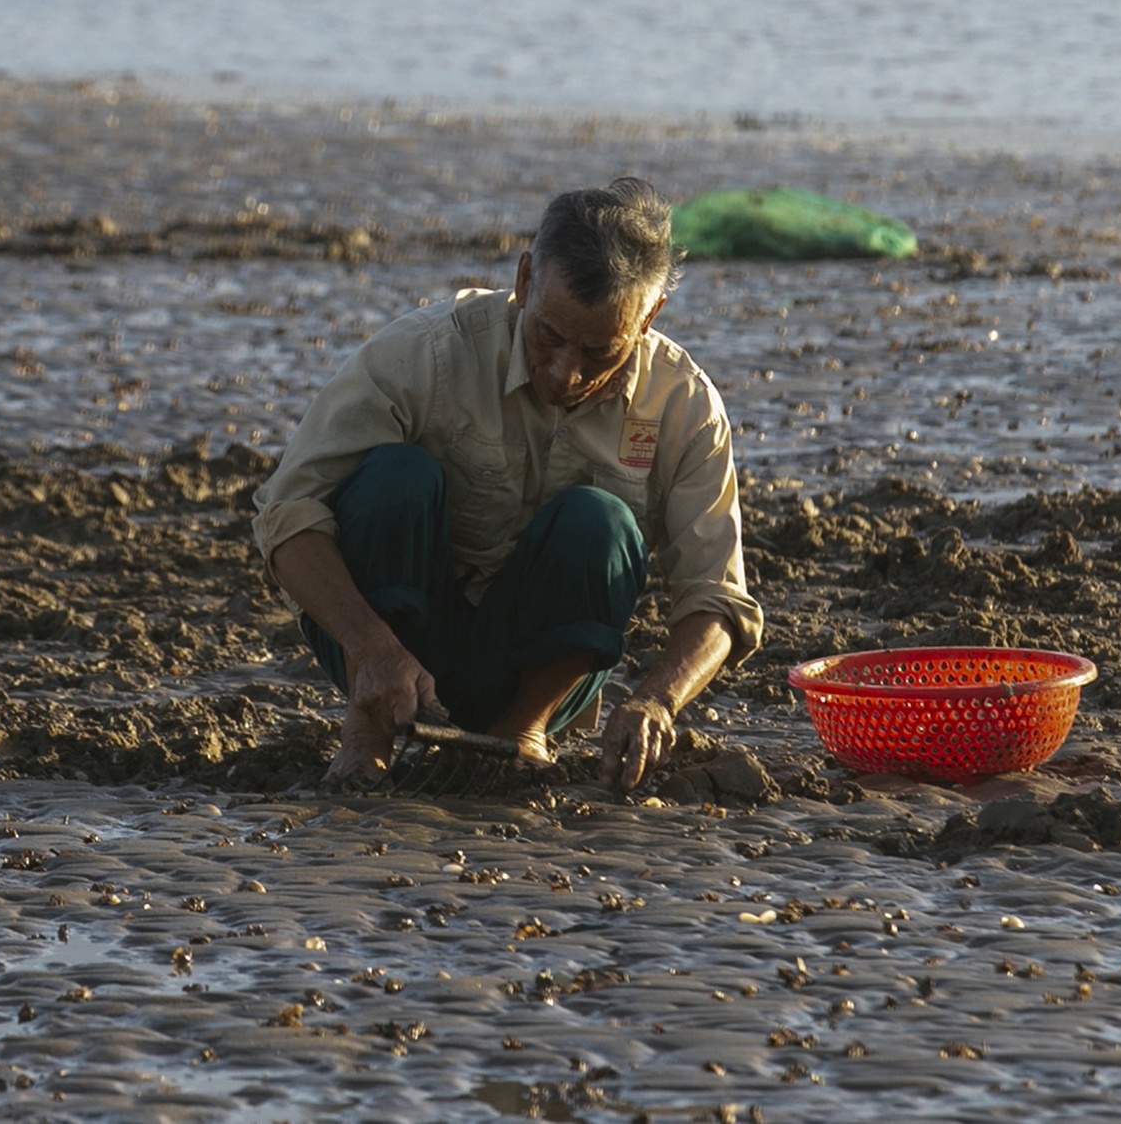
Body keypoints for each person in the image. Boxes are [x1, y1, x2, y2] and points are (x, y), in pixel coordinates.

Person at [253, 179, 764, 787]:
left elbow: (718, 596)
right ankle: (369, 729)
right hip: (383, 647)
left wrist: (657, 699)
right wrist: (369, 648)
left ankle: (523, 729)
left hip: (548, 670)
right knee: (396, 477)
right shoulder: (425, 354)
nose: (566, 373)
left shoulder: (684, 403)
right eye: (549, 335)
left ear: (649, 317)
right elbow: (287, 513)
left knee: (600, 522)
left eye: (601, 353)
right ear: (524, 280)